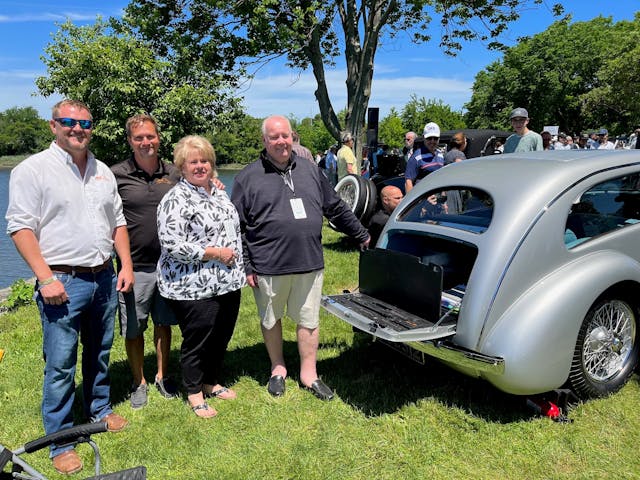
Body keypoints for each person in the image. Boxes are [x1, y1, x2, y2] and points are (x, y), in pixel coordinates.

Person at [5, 99, 133, 475]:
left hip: (104, 276)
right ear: (53, 125)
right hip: (61, 280)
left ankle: (99, 410)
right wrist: (45, 278)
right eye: (69, 122)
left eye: (85, 123)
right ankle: (60, 440)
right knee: (60, 365)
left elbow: (118, 222)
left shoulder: (102, 171)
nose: (78, 129)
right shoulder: (33, 170)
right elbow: (20, 226)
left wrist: (124, 264)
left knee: (99, 351)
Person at [231, 115, 370, 401]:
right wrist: (247, 264)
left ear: (292, 136)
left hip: (308, 261)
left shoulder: (309, 169)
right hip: (267, 264)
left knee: (308, 318)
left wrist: (361, 234)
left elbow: (335, 207)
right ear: (264, 141)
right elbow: (237, 227)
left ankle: (309, 373)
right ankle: (278, 367)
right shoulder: (248, 177)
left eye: (285, 135)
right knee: (271, 319)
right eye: (274, 137)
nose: (281, 141)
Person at [157, 135, 245, 418]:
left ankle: (211, 381)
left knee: (221, 335)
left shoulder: (219, 192)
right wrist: (214, 252)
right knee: (198, 339)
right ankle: (194, 392)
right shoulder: (175, 199)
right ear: (181, 167)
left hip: (227, 281)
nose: (200, 166)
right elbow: (171, 244)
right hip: (193, 285)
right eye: (193, 162)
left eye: (204, 161)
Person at [111, 114, 182, 409]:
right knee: (134, 328)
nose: (146, 142)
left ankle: (162, 376)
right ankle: (138, 381)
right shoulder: (115, 174)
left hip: (170, 265)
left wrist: (213, 181)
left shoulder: (175, 172)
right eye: (139, 137)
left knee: (164, 324)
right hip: (135, 267)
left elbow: (200, 186)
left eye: (150, 136)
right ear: (130, 141)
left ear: (158, 137)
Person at [404, 122, 444, 193]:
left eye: (435, 138)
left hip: (439, 200)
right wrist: (415, 203)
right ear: (423, 138)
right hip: (423, 201)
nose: (432, 141)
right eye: (429, 138)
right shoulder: (416, 157)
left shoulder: (440, 154)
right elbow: (408, 182)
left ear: (439, 138)